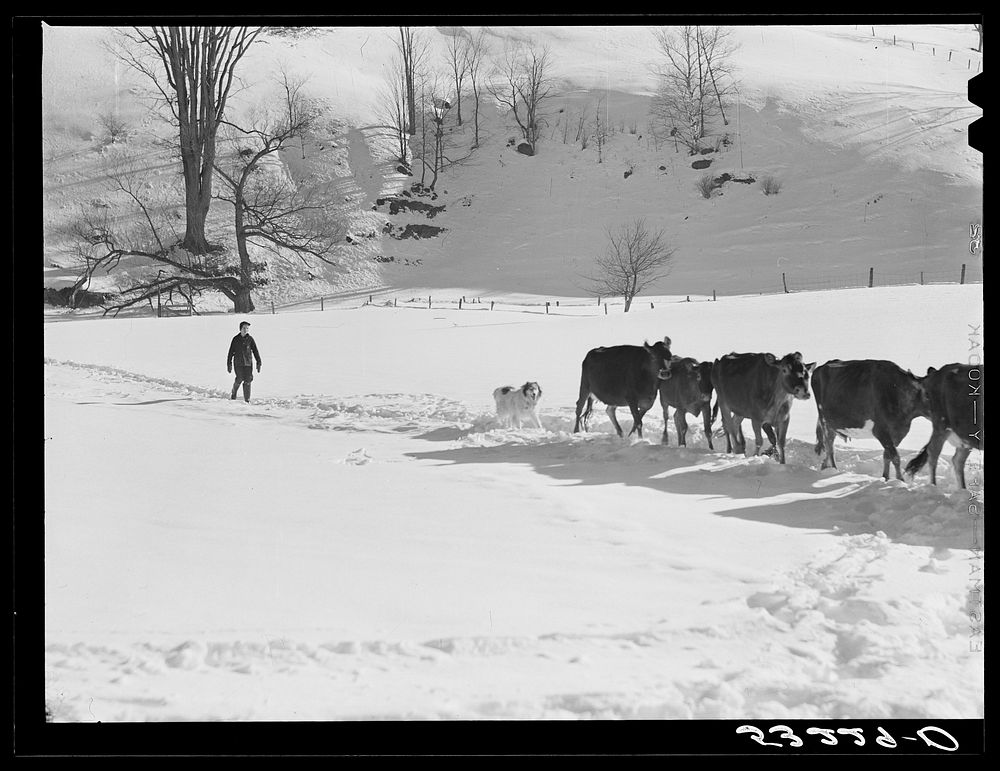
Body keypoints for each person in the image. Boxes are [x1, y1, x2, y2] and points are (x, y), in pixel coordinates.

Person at [227, 321, 262, 403]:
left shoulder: (250, 339)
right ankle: (234, 392)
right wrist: (229, 364)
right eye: (244, 328)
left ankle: (247, 399)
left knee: (248, 379)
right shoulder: (235, 339)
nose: (246, 330)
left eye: (247, 328)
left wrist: (259, 362)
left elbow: (255, 351)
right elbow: (230, 352)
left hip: (248, 363)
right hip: (238, 363)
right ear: (240, 329)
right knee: (239, 378)